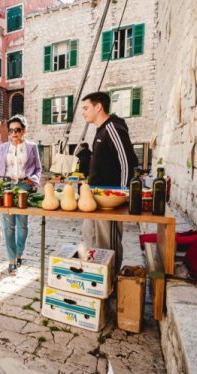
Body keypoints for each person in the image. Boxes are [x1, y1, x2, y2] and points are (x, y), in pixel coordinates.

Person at [80, 92, 139, 271]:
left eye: (86, 108)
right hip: (95, 198)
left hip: (110, 200)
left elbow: (127, 162)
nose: (83, 112)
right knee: (90, 235)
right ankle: (96, 276)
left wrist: (121, 196)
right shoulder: (101, 130)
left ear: (98, 107)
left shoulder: (113, 128)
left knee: (108, 242)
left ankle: (111, 278)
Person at [0, 114, 42, 276]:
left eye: (18, 130)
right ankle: (12, 260)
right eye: (11, 130)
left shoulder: (32, 147)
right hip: (7, 186)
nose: (14, 133)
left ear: (24, 131)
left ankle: (20, 253)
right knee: (8, 226)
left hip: (23, 186)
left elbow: (38, 169)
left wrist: (32, 180)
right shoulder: (2, 147)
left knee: (22, 225)